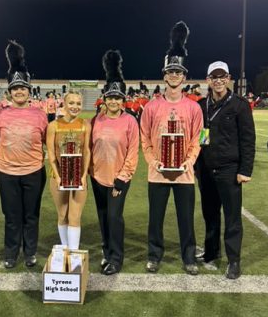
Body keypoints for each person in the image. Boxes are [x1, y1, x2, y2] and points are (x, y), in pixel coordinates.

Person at [140, 21, 203, 275]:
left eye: (179, 72)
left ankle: (189, 257)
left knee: (186, 219)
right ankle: (154, 255)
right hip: (157, 173)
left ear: (184, 76)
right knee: (155, 219)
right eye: (170, 72)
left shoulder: (194, 108)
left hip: (185, 174)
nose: (174, 76)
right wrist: (152, 161)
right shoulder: (151, 107)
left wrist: (189, 161)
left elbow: (197, 139)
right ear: (164, 75)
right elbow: (145, 138)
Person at [195, 61, 256, 279]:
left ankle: (234, 260)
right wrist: (197, 166)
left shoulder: (239, 105)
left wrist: (245, 169)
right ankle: (211, 252)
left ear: (228, 78)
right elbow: (202, 136)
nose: (219, 80)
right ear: (208, 80)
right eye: (214, 77)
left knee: (232, 218)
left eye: (222, 76)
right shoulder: (202, 105)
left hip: (230, 169)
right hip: (206, 169)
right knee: (209, 214)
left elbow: (248, 139)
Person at [0, 40, 48, 269]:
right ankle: (11, 253)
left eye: (23, 88)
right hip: (7, 173)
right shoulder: (0, 115)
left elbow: (48, 139)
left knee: (31, 215)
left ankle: (30, 252)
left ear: (29, 91)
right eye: (15, 89)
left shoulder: (40, 114)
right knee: (12, 216)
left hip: (34, 172)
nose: (19, 92)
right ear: (10, 92)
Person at [90, 50, 140, 275]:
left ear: (123, 100)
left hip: (118, 179)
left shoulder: (130, 121)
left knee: (114, 217)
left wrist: (122, 178)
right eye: (110, 98)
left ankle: (117, 258)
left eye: (117, 98)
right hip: (97, 177)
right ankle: (107, 252)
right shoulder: (95, 120)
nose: (113, 101)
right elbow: (89, 148)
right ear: (105, 99)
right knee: (102, 217)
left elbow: (133, 152)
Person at [46, 90, 91, 251]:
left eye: (78, 103)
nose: (75, 106)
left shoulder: (86, 124)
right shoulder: (53, 126)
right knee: (63, 214)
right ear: (64, 104)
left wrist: (84, 175)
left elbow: (86, 151)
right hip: (58, 176)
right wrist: (58, 176)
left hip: (79, 177)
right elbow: (51, 153)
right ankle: (65, 250)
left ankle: (73, 252)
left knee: (75, 216)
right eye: (71, 103)